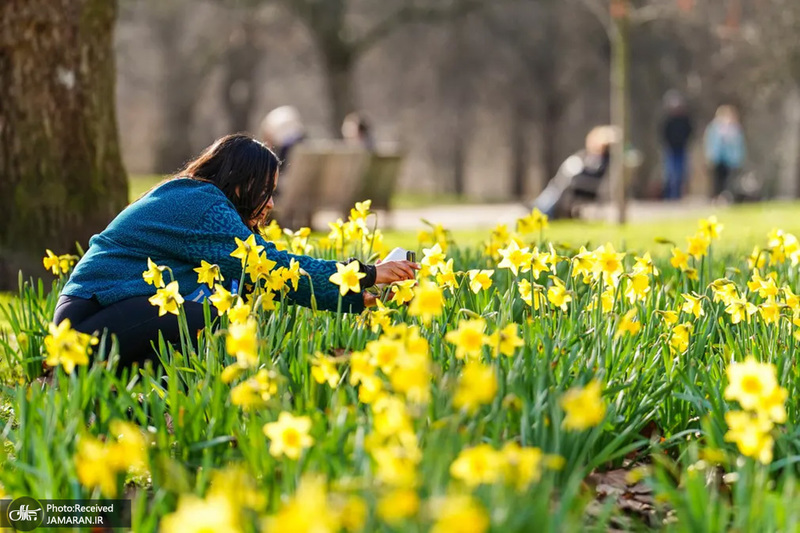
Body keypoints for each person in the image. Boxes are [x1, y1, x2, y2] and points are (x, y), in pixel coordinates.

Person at [53, 134, 418, 368]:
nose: (271, 204)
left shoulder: (197, 198)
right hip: (84, 326)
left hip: (101, 318)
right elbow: (272, 267)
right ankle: (82, 385)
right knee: (211, 320)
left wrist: (364, 298)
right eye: (267, 191)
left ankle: (139, 403)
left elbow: (256, 279)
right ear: (243, 184)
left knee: (218, 316)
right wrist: (367, 273)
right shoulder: (201, 204)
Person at [704, 105, 745, 199]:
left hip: (730, 159)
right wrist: (710, 156)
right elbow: (710, 142)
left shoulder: (735, 129)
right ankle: (716, 197)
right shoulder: (714, 128)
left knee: (729, 180)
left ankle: (727, 196)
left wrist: (738, 157)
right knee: (717, 180)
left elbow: (739, 144)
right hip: (717, 158)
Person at [661, 91, 693, 200]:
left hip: (682, 148)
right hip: (671, 149)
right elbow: (664, 133)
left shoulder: (685, 120)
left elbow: (689, 131)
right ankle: (669, 195)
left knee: (681, 173)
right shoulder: (668, 120)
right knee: (670, 173)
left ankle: (678, 195)